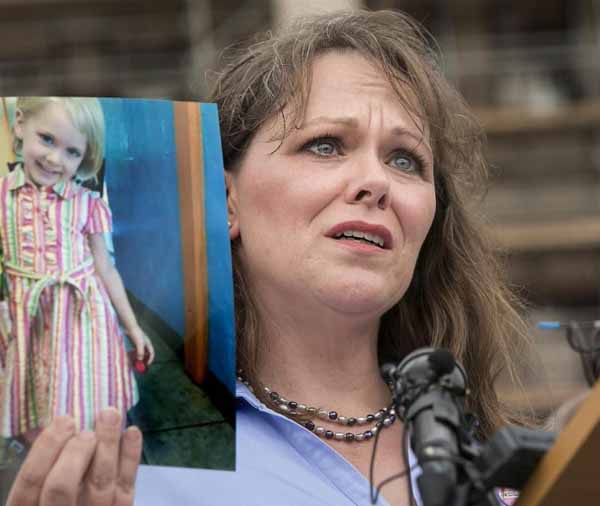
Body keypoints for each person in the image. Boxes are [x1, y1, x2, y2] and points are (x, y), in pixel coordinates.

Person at [6, 10, 538, 506]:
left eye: (405, 160)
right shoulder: (126, 459)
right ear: (225, 200)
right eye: (326, 145)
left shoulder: (508, 472)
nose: (376, 182)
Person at [0, 97, 155, 443]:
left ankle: (90, 452)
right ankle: (45, 453)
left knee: (86, 395)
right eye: (47, 139)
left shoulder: (87, 204)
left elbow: (106, 268)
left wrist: (132, 327)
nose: (55, 159)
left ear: (84, 157)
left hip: (84, 317)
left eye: (72, 152)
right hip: (29, 319)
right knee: (33, 398)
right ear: (21, 124)